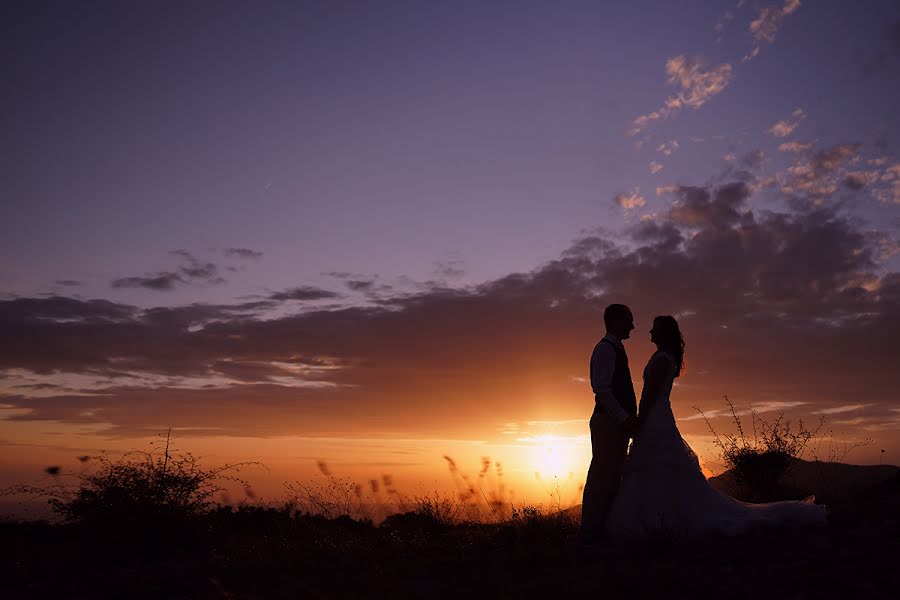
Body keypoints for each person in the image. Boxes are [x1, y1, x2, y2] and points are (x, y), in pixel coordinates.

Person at [605, 315, 827, 538]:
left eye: (654, 329)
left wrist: (639, 422)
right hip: (660, 418)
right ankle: (661, 518)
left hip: (655, 420)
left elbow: (649, 396)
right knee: (660, 470)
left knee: (656, 468)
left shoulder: (662, 359)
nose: (650, 333)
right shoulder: (665, 357)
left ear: (663, 333)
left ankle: (656, 520)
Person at [578, 303, 640, 544]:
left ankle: (601, 531)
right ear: (615, 321)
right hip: (608, 423)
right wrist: (623, 418)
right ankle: (589, 534)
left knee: (613, 477)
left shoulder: (615, 349)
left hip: (614, 423)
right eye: (629, 320)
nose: (633, 326)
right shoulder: (605, 349)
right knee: (601, 477)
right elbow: (601, 388)